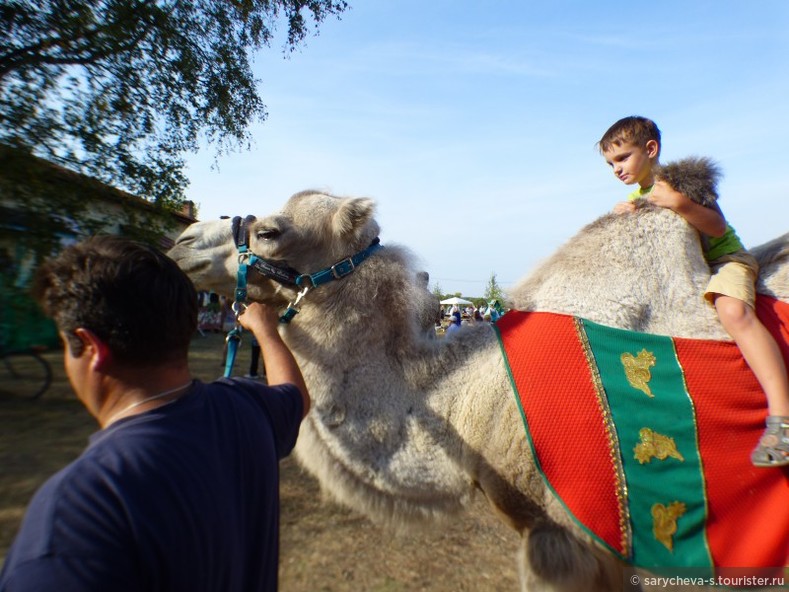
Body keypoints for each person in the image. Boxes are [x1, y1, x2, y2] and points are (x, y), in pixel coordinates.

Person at [0, 235, 310, 591]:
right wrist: (268, 332)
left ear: (90, 347)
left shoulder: (78, 511)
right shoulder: (246, 410)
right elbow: (295, 398)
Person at [598, 115, 789, 467]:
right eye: (610, 163)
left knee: (733, 312)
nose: (616, 169)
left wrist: (679, 203)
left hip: (723, 261)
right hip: (685, 274)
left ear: (650, 149)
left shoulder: (679, 182)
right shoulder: (637, 196)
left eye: (622, 158)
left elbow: (716, 227)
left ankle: (782, 416)